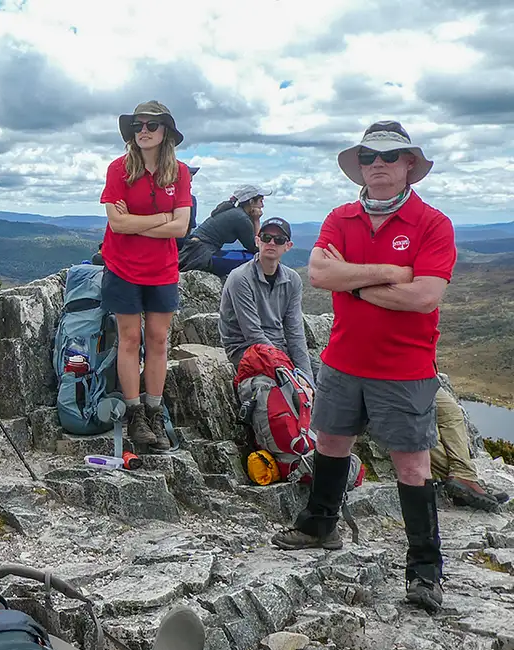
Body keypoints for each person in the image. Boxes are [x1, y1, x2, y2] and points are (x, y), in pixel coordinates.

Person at [270, 120, 457, 615]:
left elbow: (424, 296)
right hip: (343, 360)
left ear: (410, 166)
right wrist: (388, 274)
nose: (378, 164)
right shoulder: (341, 218)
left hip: (405, 366)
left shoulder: (432, 223)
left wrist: (349, 281)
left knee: (412, 465)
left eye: (390, 157)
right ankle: (319, 524)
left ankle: (424, 570)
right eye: (370, 157)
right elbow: (318, 273)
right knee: (331, 441)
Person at [99, 100, 192, 449]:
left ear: (165, 131)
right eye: (138, 126)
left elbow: (182, 227)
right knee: (129, 339)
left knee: (157, 339)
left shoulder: (179, 172)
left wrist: (138, 224)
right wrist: (161, 219)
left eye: (151, 125)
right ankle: (134, 412)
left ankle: (154, 409)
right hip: (122, 267)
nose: (144, 131)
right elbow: (116, 223)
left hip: (162, 269)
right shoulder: (118, 169)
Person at [218, 217, 313, 383]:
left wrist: (307, 378)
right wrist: (289, 372)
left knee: (326, 382)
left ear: (288, 246)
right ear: (257, 241)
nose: (271, 243)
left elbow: (294, 331)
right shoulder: (240, 278)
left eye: (279, 240)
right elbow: (252, 333)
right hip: (245, 349)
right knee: (280, 387)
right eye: (266, 238)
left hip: (279, 347)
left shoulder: (293, 280)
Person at [432, 384, 509, 510]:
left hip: (420, 377)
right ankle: (462, 485)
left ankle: (463, 475)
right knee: (425, 429)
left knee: (451, 413)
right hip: (395, 381)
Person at [178, 184, 269, 276]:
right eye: (261, 201)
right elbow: (256, 247)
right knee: (257, 259)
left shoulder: (233, 211)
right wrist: (256, 220)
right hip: (201, 256)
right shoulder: (241, 218)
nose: (262, 205)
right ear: (251, 202)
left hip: (193, 251)